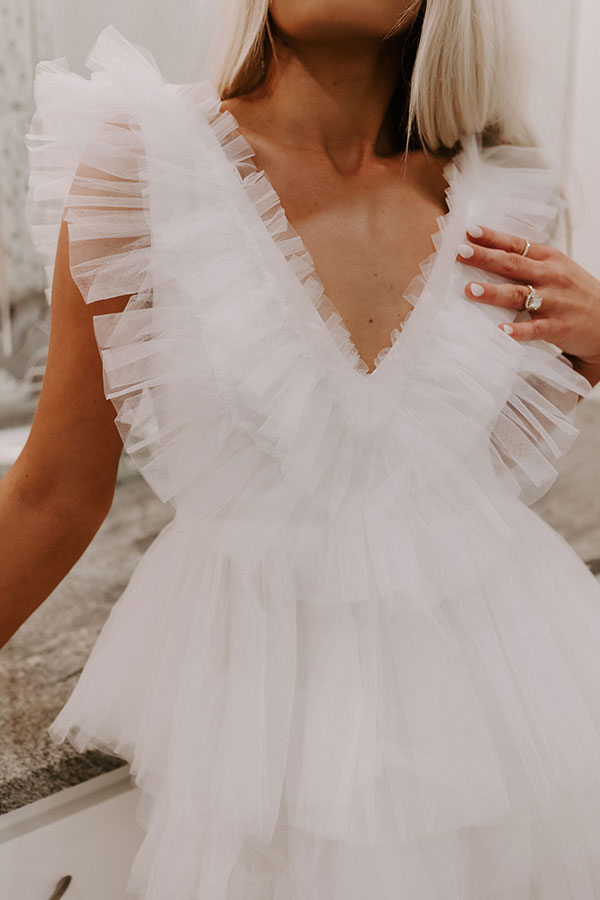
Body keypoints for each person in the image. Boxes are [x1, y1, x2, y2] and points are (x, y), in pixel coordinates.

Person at [3, 2, 600, 898]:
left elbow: (471, 474)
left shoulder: (505, 192)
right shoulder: (145, 165)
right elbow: (53, 493)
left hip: (501, 707)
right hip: (252, 728)